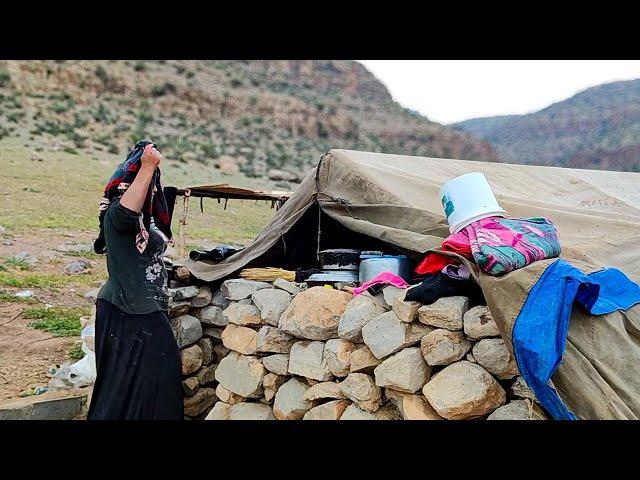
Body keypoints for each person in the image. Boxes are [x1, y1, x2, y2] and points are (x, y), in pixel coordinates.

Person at [87, 142, 183, 420]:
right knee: (125, 386)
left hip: (144, 308)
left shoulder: (143, 221)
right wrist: (148, 165)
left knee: (148, 384)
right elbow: (130, 209)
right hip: (125, 310)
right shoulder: (118, 214)